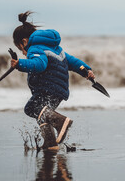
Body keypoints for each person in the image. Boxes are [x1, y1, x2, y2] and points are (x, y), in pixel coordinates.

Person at [11, 11, 95, 150]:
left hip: (46, 88)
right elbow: (73, 62)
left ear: (24, 42)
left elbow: (39, 65)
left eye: (21, 50)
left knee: (31, 108)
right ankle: (50, 143)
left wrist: (20, 64)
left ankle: (61, 122)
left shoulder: (34, 49)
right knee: (43, 115)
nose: (23, 53)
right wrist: (85, 70)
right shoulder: (57, 49)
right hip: (59, 91)